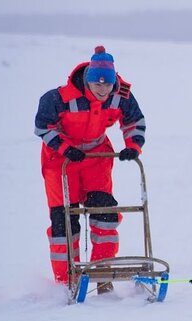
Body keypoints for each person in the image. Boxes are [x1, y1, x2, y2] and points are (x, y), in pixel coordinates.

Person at [34, 46, 146, 291]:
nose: (103, 90)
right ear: (87, 80)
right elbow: (43, 126)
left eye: (108, 85)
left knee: (105, 214)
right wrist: (64, 148)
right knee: (65, 221)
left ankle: (102, 273)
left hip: (97, 158)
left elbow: (134, 121)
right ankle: (66, 282)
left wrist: (133, 146)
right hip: (60, 162)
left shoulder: (121, 95)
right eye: (98, 85)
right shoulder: (59, 98)